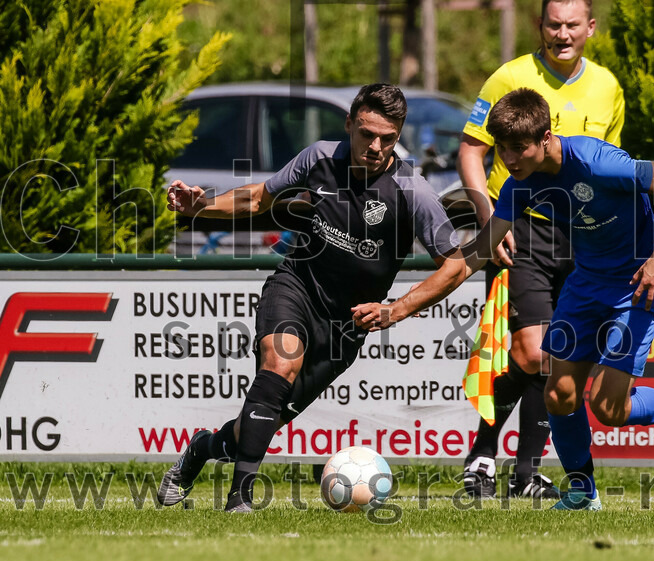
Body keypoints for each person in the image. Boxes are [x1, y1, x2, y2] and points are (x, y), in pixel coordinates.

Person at [353, 88, 654, 510]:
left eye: (519, 149)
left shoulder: (596, 162)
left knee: (608, 407)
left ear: (546, 138)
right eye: (502, 150)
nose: (510, 161)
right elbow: (470, 259)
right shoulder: (519, 187)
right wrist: (397, 308)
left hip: (637, 285)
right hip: (587, 284)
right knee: (559, 394)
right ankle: (582, 494)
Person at [157, 84, 465, 512]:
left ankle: (202, 449)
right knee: (280, 362)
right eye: (366, 134)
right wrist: (199, 207)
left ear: (398, 137)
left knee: (255, 427)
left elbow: (455, 265)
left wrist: (396, 309)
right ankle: (239, 500)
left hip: (345, 326)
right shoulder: (319, 157)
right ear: (349, 126)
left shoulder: (413, 191)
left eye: (387, 138)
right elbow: (259, 198)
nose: (375, 147)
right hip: (296, 286)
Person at [456, 0, 625, 499]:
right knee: (531, 355)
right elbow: (470, 150)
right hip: (518, 228)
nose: (563, 34)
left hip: (582, 238)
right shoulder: (510, 77)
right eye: (554, 24)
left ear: (590, 28)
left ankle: (523, 471)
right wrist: (489, 218)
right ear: (540, 25)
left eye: (573, 24)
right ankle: (485, 452)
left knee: (555, 357)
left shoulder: (608, 87)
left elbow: (610, 174)